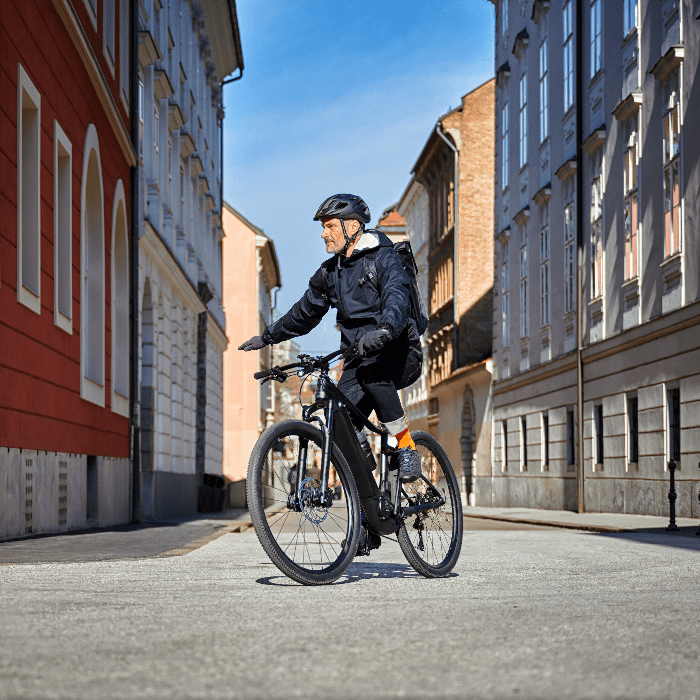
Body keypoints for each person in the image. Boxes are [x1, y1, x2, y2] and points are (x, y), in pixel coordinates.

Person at [239, 193, 423, 485]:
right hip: (358, 359)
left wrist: (386, 329)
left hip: (399, 351)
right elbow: (304, 312)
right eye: (322, 228)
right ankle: (370, 518)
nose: (324, 234)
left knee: (374, 374)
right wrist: (267, 337)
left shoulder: (383, 258)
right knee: (338, 421)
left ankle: (406, 446)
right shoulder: (330, 273)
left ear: (352, 226)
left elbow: (396, 296)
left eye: (330, 227)